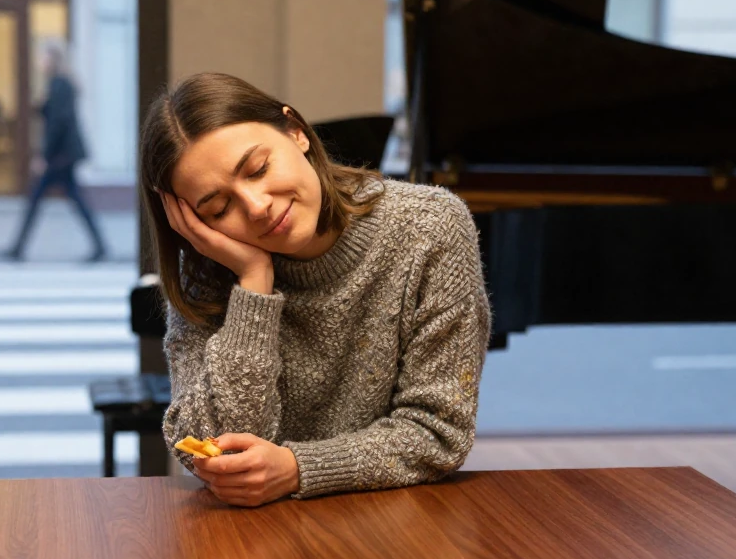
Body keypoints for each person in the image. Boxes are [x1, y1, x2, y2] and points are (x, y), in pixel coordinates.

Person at [140, 72, 491, 507]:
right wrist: (253, 284)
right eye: (219, 207)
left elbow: (439, 433)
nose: (256, 206)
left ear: (296, 132)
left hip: (393, 522)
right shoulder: (209, 272)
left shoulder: (429, 229)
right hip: (253, 540)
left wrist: (296, 468)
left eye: (258, 169)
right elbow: (212, 448)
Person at [0, 43, 107, 262]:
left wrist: (44, 156)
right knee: (71, 199)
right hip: (63, 155)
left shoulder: (60, 84)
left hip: (60, 156)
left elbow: (58, 123)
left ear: (53, 59)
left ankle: (17, 249)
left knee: (39, 199)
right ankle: (100, 246)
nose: (40, 62)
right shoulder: (59, 84)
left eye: (42, 57)